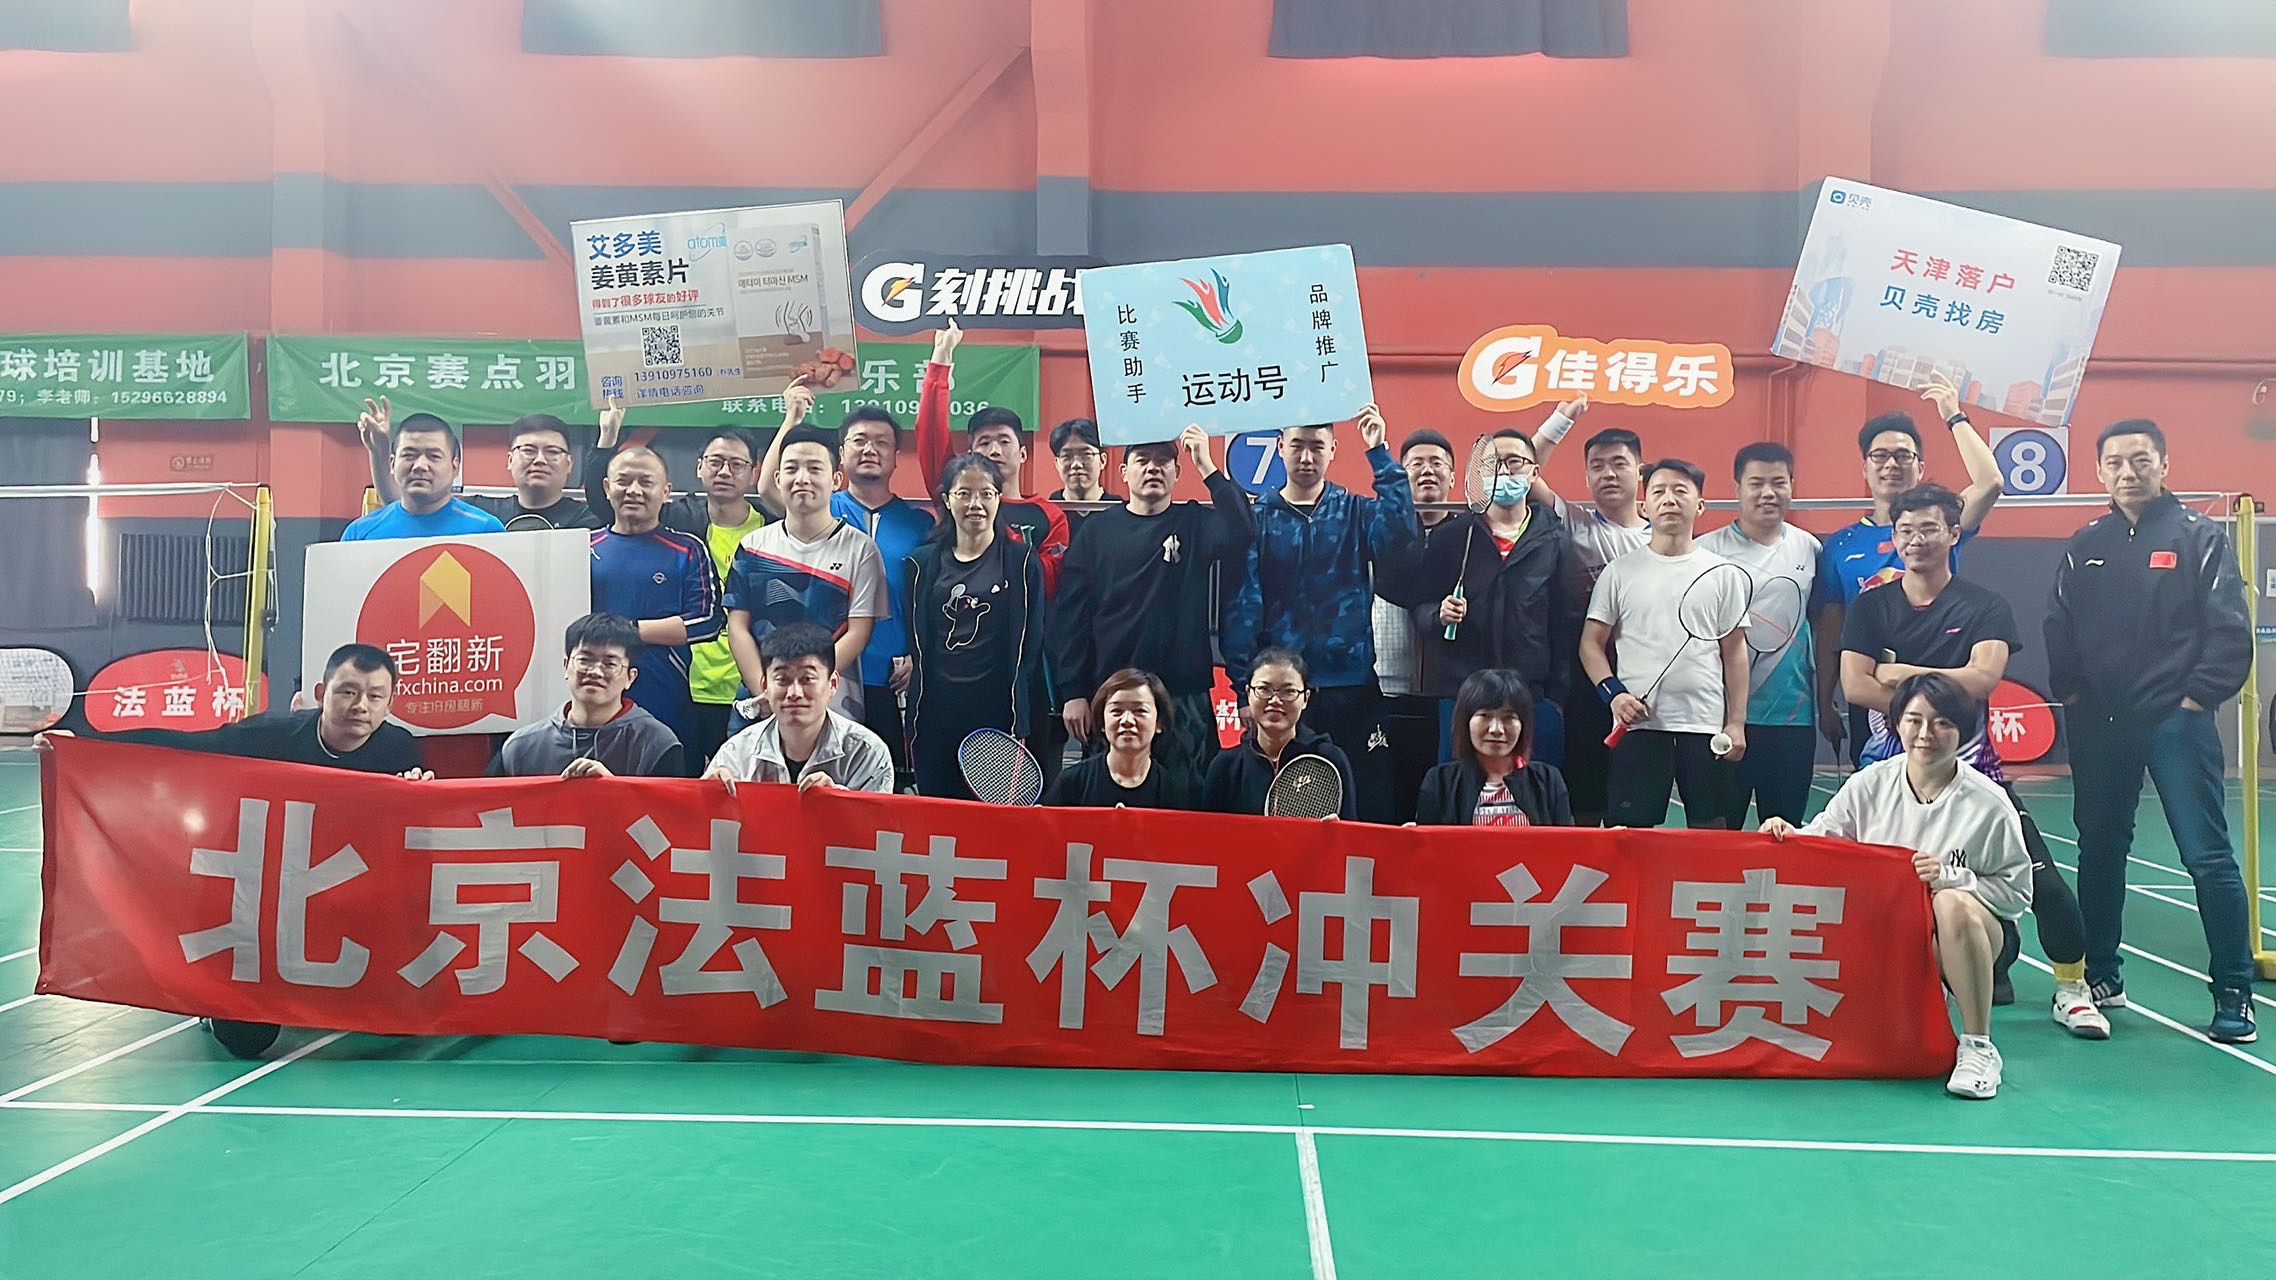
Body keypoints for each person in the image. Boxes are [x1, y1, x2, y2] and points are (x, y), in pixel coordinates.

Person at [46, 644, 428, 1059]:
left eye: (374, 696)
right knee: (245, 1040)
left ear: (390, 704)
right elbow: (185, 745)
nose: (360, 706)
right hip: (260, 898)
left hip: (342, 897)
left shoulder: (399, 751)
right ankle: (216, 998)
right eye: (348, 692)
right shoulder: (270, 737)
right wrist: (81, 741)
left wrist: (418, 795)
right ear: (321, 694)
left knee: (407, 1012)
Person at [1839, 483, 2103, 1037]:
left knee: (2044, 883)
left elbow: (1983, 679)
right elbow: (1855, 685)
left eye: (1929, 528)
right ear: (1894, 538)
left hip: (1975, 771)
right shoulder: (1872, 605)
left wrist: (1899, 674)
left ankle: (2073, 989)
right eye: (1906, 531)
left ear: (1953, 534)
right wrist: (1939, 688)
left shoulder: (1984, 605)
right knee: (1880, 888)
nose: (1916, 540)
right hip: (1892, 773)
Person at [2045, 419, 2256, 1043]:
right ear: (2099, 473)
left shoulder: (2199, 537)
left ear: (2164, 464)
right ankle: (2101, 975)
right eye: (2114, 463)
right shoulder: (2086, 543)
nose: (2127, 472)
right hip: (2099, 724)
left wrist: (2194, 700)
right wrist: (2074, 695)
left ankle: (2234, 991)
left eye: (2140, 460)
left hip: (2175, 723)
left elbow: (2229, 629)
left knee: (2206, 856)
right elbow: (2059, 624)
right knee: (2099, 849)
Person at [1765, 674, 2032, 1100]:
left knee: (1952, 905)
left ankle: (1979, 1046)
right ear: (1897, 724)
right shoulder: (1870, 784)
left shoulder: (1989, 803)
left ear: (1962, 730)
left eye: (1942, 722)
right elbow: (1823, 838)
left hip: (1977, 935)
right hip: (1890, 931)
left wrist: (1950, 878)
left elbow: (2017, 895)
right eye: (1914, 720)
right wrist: (1787, 834)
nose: (1926, 733)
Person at [1223, 405, 1413, 822]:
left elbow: (1400, 539)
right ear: (1280, 448)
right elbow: (1242, 607)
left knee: (1365, 805)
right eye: (1297, 446)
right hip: (1283, 694)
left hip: (1352, 685)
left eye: (1316, 447)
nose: (1306, 457)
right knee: (1283, 811)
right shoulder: (1259, 519)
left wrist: (1379, 452)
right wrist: (1243, 690)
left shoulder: (1356, 512)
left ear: (1333, 450)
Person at [1052, 426, 1256, 791]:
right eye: (1142, 460)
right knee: (1110, 800)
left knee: (1188, 802)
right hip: (1115, 694)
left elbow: (1243, 530)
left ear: (1177, 472)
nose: (1153, 468)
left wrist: (1207, 466)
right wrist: (1073, 691)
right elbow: (1072, 618)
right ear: (1123, 472)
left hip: (1183, 696)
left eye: (1163, 461)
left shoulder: (1195, 523)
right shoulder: (1096, 532)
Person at [1819, 374, 2005, 763]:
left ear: (1920, 466)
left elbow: (1989, 481)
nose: (1892, 464)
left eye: (1904, 456)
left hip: (1946, 693)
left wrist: (1953, 415)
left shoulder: (1941, 521)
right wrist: (1825, 700)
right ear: (1865, 468)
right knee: (1879, 793)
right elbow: (1831, 628)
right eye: (1880, 456)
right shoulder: (1840, 546)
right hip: (1874, 697)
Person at [1579, 458, 1746, 830]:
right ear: (1645, 506)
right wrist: (1615, 696)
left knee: (1712, 831)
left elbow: (1735, 652)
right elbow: (1590, 644)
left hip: (1705, 727)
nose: (1669, 499)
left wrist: (1736, 723)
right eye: (1659, 491)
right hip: (1637, 727)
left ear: (1700, 505)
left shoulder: (1724, 574)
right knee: (1631, 836)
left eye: (1680, 491)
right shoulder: (1619, 572)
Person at [1396, 427, 1572, 768]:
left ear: (1533, 473)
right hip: (1462, 695)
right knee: (1461, 793)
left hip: (1533, 698)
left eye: (1514, 462)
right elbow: (1419, 607)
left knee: (1535, 793)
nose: (1504, 471)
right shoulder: (1452, 537)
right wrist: (1438, 615)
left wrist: (1556, 697)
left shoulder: (1554, 539)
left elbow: (1563, 623)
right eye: (1494, 463)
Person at [1526, 397, 1648, 824]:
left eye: (1619, 463)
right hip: (1585, 677)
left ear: (1640, 472)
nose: (1608, 473)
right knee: (1584, 793)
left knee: (1635, 801)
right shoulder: (1574, 522)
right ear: (1587, 476)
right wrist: (1562, 419)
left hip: (1647, 673)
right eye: (1597, 466)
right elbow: (1523, 469)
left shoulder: (1663, 538)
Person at [1697, 442, 1831, 827]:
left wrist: (1825, 702)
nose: (1768, 493)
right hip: (1720, 717)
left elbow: (1820, 626)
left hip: (1792, 718)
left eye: (1778, 482)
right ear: (1737, 488)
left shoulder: (1809, 548)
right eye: (1756, 483)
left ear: (1792, 485)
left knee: (1784, 833)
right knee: (1718, 834)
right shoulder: (1706, 551)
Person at [902, 453, 1046, 801]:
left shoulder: (1021, 561)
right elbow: (916, 638)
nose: (975, 504)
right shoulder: (921, 563)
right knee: (936, 811)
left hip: (998, 712)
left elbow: (1031, 641)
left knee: (993, 818)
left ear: (999, 498)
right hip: (935, 712)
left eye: (986, 493)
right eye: (964, 493)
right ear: (947, 499)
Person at [730, 423, 889, 722]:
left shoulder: (861, 550)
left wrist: (805, 685)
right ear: (778, 479)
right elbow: (738, 628)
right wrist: (767, 690)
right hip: (761, 701)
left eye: (815, 469)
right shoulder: (752, 546)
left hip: (834, 706)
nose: (802, 478)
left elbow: (858, 632)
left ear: (836, 479)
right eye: (792, 469)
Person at [820, 402, 934, 783]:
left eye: (881, 442)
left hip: (892, 676)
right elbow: (770, 489)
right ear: (841, 454)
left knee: (889, 785)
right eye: (860, 441)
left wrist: (918, 656)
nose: (870, 449)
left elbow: (929, 602)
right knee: (828, 782)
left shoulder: (920, 524)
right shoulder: (820, 509)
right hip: (830, 674)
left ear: (896, 456)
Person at [586, 447, 722, 761]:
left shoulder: (687, 549)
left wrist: (628, 632)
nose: (634, 490)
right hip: (593, 698)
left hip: (666, 698)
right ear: (607, 487)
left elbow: (708, 620)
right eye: (623, 481)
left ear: (666, 492)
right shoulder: (581, 547)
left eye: (646, 482)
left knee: (670, 782)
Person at [915, 321, 1070, 595]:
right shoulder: (955, 495)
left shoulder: (1049, 515)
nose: (994, 450)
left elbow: (1047, 584)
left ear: (1023, 454)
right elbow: (930, 432)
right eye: (984, 442)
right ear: (971, 453)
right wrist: (941, 357)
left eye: (1004, 441)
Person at [1373, 429, 1461, 823]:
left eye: (1437, 463)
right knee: (1388, 803)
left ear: (1453, 476)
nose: (1427, 471)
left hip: (1448, 693)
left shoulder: (1468, 536)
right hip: (1386, 690)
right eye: (1416, 464)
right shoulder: (1378, 534)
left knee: (1440, 807)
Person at [705, 622, 895, 792]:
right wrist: (708, 795)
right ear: (765, 686)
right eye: (782, 680)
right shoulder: (736, 753)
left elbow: (875, 819)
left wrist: (839, 801)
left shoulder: (866, 752)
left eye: (807, 679)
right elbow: (704, 817)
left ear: (833, 684)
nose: (794, 693)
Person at [491, 612, 685, 777]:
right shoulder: (521, 747)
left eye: (610, 663)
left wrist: (615, 790)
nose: (595, 672)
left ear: (630, 678)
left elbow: (669, 809)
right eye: (585, 660)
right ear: (566, 666)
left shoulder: (656, 744)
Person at [364, 399, 599, 530]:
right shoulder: (484, 515)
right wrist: (378, 451)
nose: (539, 460)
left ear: (570, 463)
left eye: (552, 452)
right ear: (510, 460)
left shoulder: (586, 520)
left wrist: (605, 443)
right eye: (528, 450)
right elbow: (408, 505)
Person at [1203, 648, 1357, 819]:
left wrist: (1336, 832)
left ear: (1305, 698)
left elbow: (1351, 831)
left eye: (1288, 691)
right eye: (1264, 689)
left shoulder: (1330, 758)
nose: (1275, 700)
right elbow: (1208, 832)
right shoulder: (1225, 766)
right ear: (1248, 693)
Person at [1414, 667, 1572, 826]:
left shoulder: (1549, 780)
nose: (1496, 729)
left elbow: (1567, 840)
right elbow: (1428, 840)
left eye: (1508, 717)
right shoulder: (1439, 782)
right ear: (1465, 721)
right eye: (1484, 715)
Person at [1042, 668, 1196, 810]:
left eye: (1140, 710)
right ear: (1102, 722)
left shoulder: (1173, 792)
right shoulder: (1072, 782)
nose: (1127, 720)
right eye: (1116, 711)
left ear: (1159, 723)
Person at [341, 410, 506, 541]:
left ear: (454, 466)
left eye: (434, 456)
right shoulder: (359, 534)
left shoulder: (486, 530)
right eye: (409, 455)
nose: (420, 465)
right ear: (392, 464)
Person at [1048, 416, 1119, 534]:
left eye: (1086, 455)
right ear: (1057, 463)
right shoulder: (1048, 512)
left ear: (1102, 461)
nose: (1076, 464)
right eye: (1067, 456)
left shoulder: (1118, 512)